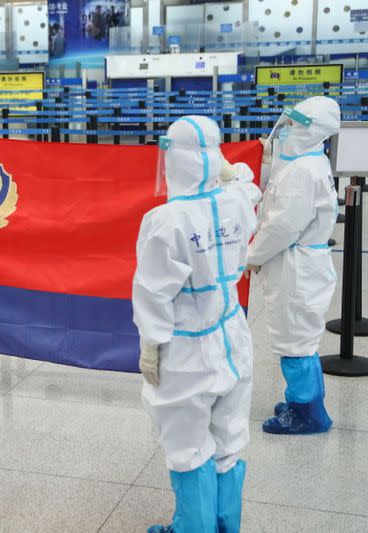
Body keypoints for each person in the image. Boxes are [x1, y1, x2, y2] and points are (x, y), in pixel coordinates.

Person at [133, 116, 261, 533]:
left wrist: (151, 345)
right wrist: (229, 168)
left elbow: (154, 293)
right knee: (229, 440)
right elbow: (247, 182)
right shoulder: (238, 202)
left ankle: (193, 528)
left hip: (187, 348)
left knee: (187, 447)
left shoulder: (165, 221)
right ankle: (226, 525)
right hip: (232, 335)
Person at [247, 96, 341, 435]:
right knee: (299, 339)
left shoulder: (304, 171)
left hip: (297, 267)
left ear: (311, 129)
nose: (286, 130)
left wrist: (251, 256)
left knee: (295, 342)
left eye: (293, 125)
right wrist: (269, 159)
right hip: (300, 264)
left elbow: (282, 226)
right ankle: (304, 402)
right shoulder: (308, 161)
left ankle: (307, 414)